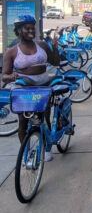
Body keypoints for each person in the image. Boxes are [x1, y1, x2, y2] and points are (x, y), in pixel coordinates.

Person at [2, 15, 60, 161]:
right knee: (23, 121)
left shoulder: (42, 45)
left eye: (32, 28)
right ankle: (25, 152)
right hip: (24, 86)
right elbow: (4, 75)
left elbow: (55, 62)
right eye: (27, 28)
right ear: (19, 31)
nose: (31, 30)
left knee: (43, 117)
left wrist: (55, 47)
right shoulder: (12, 52)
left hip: (43, 84)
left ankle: (46, 148)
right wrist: (11, 77)